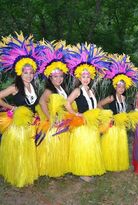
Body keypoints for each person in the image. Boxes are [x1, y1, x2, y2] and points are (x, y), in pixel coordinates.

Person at [0, 34, 39, 187]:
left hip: (30, 125)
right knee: (20, 152)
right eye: (25, 72)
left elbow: (32, 105)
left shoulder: (33, 86)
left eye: (31, 72)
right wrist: (11, 107)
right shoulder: (15, 87)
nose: (28, 75)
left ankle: (26, 175)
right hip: (18, 126)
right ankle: (19, 177)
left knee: (27, 150)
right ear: (20, 72)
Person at [65, 44, 108, 182]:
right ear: (79, 77)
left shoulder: (92, 91)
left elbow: (94, 107)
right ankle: (83, 172)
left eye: (88, 76)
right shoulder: (77, 90)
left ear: (91, 77)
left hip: (92, 124)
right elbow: (67, 103)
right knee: (84, 148)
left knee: (92, 147)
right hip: (82, 124)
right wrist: (75, 114)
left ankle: (90, 168)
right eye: (83, 76)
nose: (85, 78)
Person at [98, 54, 138, 172]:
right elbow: (99, 104)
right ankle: (109, 164)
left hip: (121, 126)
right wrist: (108, 116)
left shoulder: (125, 99)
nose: (121, 89)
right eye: (119, 86)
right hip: (112, 125)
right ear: (115, 86)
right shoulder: (111, 97)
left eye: (123, 87)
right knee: (111, 145)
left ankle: (118, 163)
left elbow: (124, 111)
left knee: (119, 145)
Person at [36, 41, 70, 177]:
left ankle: (60, 167)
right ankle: (51, 168)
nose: (59, 78)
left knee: (61, 143)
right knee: (54, 144)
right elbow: (41, 102)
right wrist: (50, 117)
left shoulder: (61, 88)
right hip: (54, 121)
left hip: (62, 120)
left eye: (61, 76)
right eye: (56, 76)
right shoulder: (49, 89)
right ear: (50, 77)